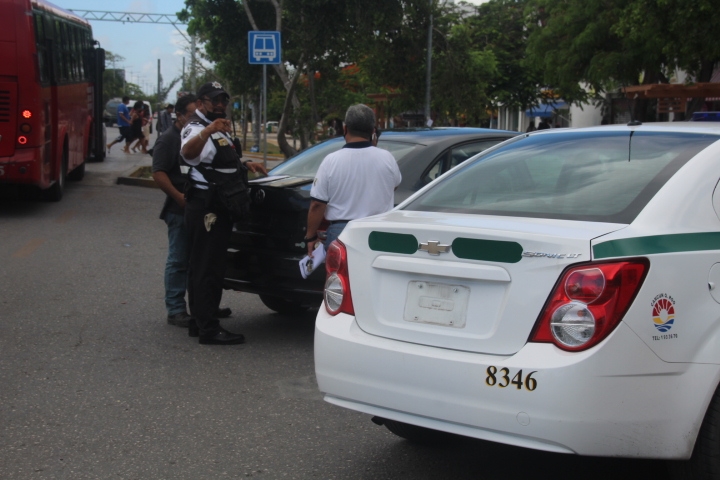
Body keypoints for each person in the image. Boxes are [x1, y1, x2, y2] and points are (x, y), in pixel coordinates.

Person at [180, 82, 268, 345]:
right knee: (208, 267)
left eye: (224, 101)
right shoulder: (196, 128)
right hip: (208, 207)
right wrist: (208, 130)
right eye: (214, 100)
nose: (220, 105)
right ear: (200, 103)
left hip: (217, 204)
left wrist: (244, 164)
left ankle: (199, 322)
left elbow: (217, 160)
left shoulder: (218, 127)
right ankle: (209, 329)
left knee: (203, 265)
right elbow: (188, 153)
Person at [305, 104, 401, 256]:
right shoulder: (387, 158)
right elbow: (393, 186)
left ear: (345, 129)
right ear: (373, 132)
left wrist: (310, 236)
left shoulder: (331, 161)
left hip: (342, 233)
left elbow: (317, 204)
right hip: (378, 232)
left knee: (339, 278)